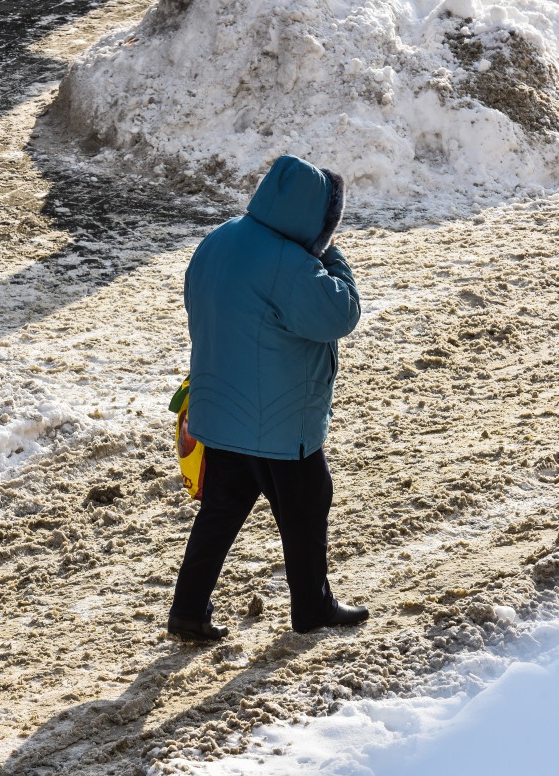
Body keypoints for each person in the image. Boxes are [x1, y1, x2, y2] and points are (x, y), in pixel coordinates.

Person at [168, 154, 368, 641]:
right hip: (278, 422)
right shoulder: (292, 265)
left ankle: (188, 612)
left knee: (222, 508)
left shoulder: (220, 239)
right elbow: (341, 313)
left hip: (220, 411)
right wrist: (332, 255)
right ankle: (312, 609)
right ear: (315, 222)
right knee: (307, 502)